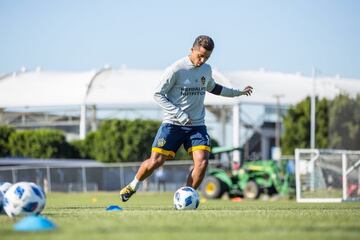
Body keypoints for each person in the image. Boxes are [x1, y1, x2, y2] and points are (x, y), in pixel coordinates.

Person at [120, 35, 253, 202]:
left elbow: (212, 87)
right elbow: (158, 94)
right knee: (157, 161)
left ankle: (186, 198)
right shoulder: (175, 69)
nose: (202, 60)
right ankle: (133, 185)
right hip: (173, 124)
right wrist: (179, 114)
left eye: (207, 57)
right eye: (200, 56)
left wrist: (237, 93)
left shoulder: (206, 69)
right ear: (192, 50)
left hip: (197, 125)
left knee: (202, 162)